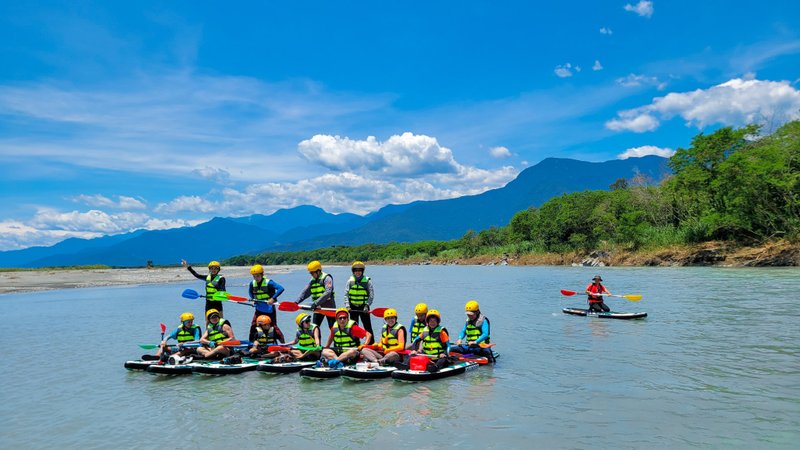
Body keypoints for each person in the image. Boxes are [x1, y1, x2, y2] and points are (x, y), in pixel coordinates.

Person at [247, 264, 285, 341]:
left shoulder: (269, 282)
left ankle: (283, 343)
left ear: (262, 274)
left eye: (257, 276)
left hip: (269, 309)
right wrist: (253, 299)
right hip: (259, 309)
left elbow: (281, 288)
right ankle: (251, 343)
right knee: (254, 325)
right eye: (254, 276)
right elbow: (250, 292)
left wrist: (273, 299)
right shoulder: (252, 283)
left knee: (273, 326)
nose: (256, 278)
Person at [294, 260, 336, 329]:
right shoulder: (312, 280)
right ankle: (316, 339)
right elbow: (305, 293)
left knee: (333, 328)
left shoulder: (327, 278)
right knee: (315, 328)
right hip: (318, 307)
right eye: (310, 273)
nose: (311, 274)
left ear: (318, 271)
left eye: (312, 273)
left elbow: (328, 292)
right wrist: (296, 302)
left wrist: (315, 303)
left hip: (329, 307)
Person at [344, 261, 375, 336]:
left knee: (367, 326)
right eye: (356, 271)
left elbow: (371, 295)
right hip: (352, 307)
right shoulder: (350, 281)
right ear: (353, 272)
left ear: (362, 271)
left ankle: (371, 343)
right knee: (354, 327)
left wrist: (367, 305)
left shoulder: (367, 281)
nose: (358, 272)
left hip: (364, 307)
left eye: (359, 270)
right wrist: (347, 306)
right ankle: (356, 343)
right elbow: (346, 294)